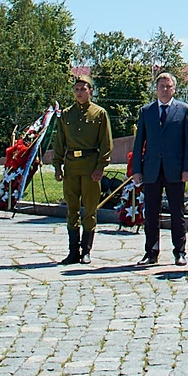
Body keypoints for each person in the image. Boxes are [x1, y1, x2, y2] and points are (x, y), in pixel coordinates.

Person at [130, 71, 188, 266]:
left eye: (168, 86)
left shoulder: (184, 110)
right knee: (151, 214)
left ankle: (180, 252)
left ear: (174, 89)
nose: (165, 90)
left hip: (175, 170)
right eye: (161, 86)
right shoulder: (146, 111)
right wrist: (136, 169)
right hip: (151, 170)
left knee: (177, 213)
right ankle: (151, 252)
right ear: (156, 89)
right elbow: (139, 142)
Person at [53, 76, 113, 266]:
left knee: (90, 209)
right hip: (71, 165)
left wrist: (100, 167)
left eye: (83, 89)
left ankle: (86, 250)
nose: (79, 93)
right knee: (72, 209)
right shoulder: (66, 114)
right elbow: (60, 142)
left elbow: (106, 143)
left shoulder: (99, 113)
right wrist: (57, 165)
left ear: (90, 91)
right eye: (76, 89)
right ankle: (73, 251)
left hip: (90, 165)